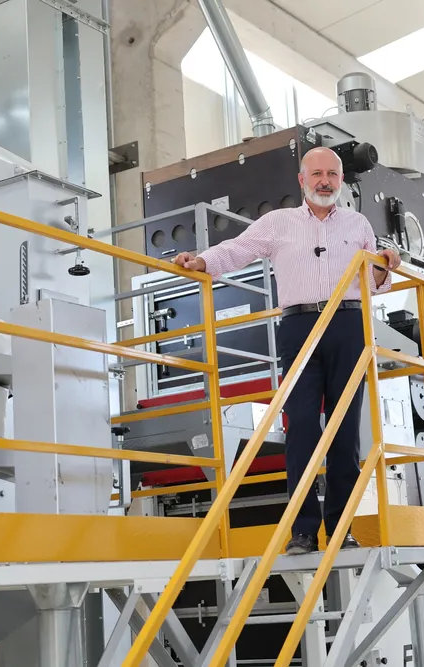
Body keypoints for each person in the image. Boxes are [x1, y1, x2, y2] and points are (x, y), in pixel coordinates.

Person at [171, 147, 400, 555]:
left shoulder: (358, 224)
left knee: (345, 431)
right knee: (302, 429)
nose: (324, 181)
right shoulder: (278, 223)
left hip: (348, 324)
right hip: (299, 325)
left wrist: (385, 266)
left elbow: (373, 282)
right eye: (317, 174)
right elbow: (236, 249)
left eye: (332, 174)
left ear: (341, 180)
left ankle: (341, 528)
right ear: (301, 180)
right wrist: (201, 262)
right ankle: (303, 531)